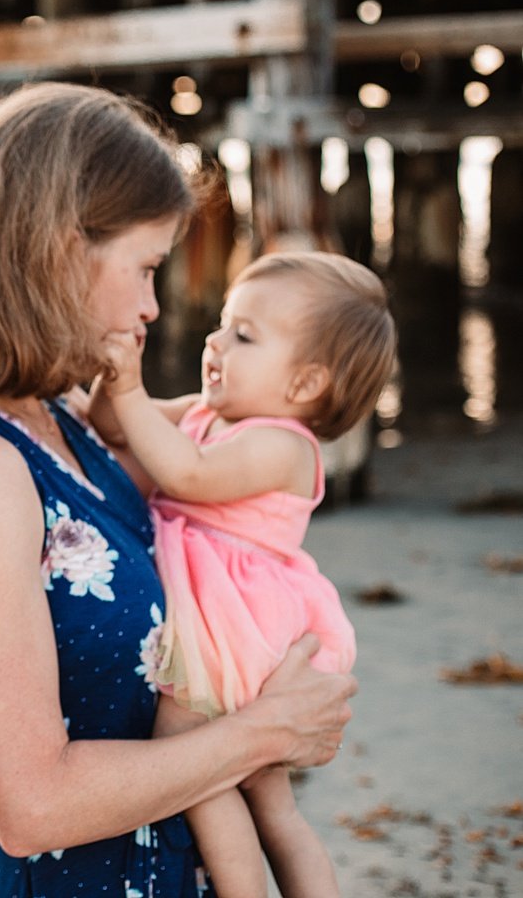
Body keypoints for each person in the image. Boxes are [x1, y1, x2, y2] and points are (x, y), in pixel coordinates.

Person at [0, 82, 356, 897]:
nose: (157, 307)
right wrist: (267, 733)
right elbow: (32, 803)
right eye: (147, 268)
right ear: (58, 249)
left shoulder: (49, 414)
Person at [89, 251, 395, 898]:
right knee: (263, 793)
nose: (214, 339)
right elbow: (112, 427)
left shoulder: (283, 445)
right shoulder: (207, 412)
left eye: (244, 335)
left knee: (201, 771)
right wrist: (112, 377)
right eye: (224, 323)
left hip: (236, 624)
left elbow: (187, 475)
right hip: (218, 614)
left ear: (306, 384)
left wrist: (131, 391)